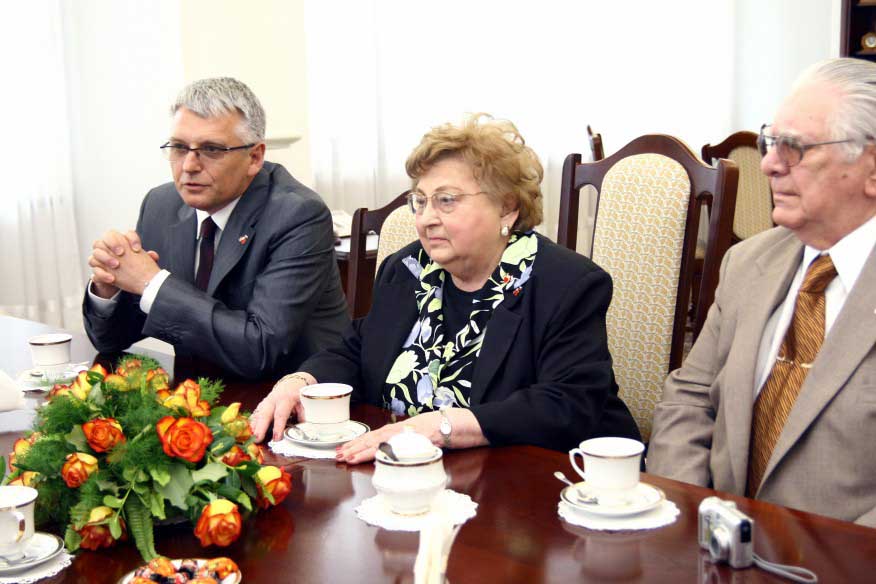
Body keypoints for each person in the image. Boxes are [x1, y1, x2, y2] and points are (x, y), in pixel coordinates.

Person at [251, 114, 640, 462]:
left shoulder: (565, 283)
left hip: (545, 481)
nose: (426, 219)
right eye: (420, 202)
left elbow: (566, 404)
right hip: (416, 475)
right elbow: (358, 348)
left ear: (507, 207)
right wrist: (300, 382)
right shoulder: (406, 270)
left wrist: (442, 426)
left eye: (446, 201)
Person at [647, 58, 876, 527]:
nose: (769, 165)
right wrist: (693, 516)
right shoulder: (748, 262)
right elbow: (690, 397)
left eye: (795, 149)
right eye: (771, 142)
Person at [83, 77, 349, 380]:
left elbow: (260, 349)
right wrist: (110, 287)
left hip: (295, 395)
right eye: (179, 147)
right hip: (199, 393)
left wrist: (150, 282)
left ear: (254, 157)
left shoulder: (298, 215)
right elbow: (112, 340)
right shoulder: (160, 205)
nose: (189, 166)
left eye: (211, 149)